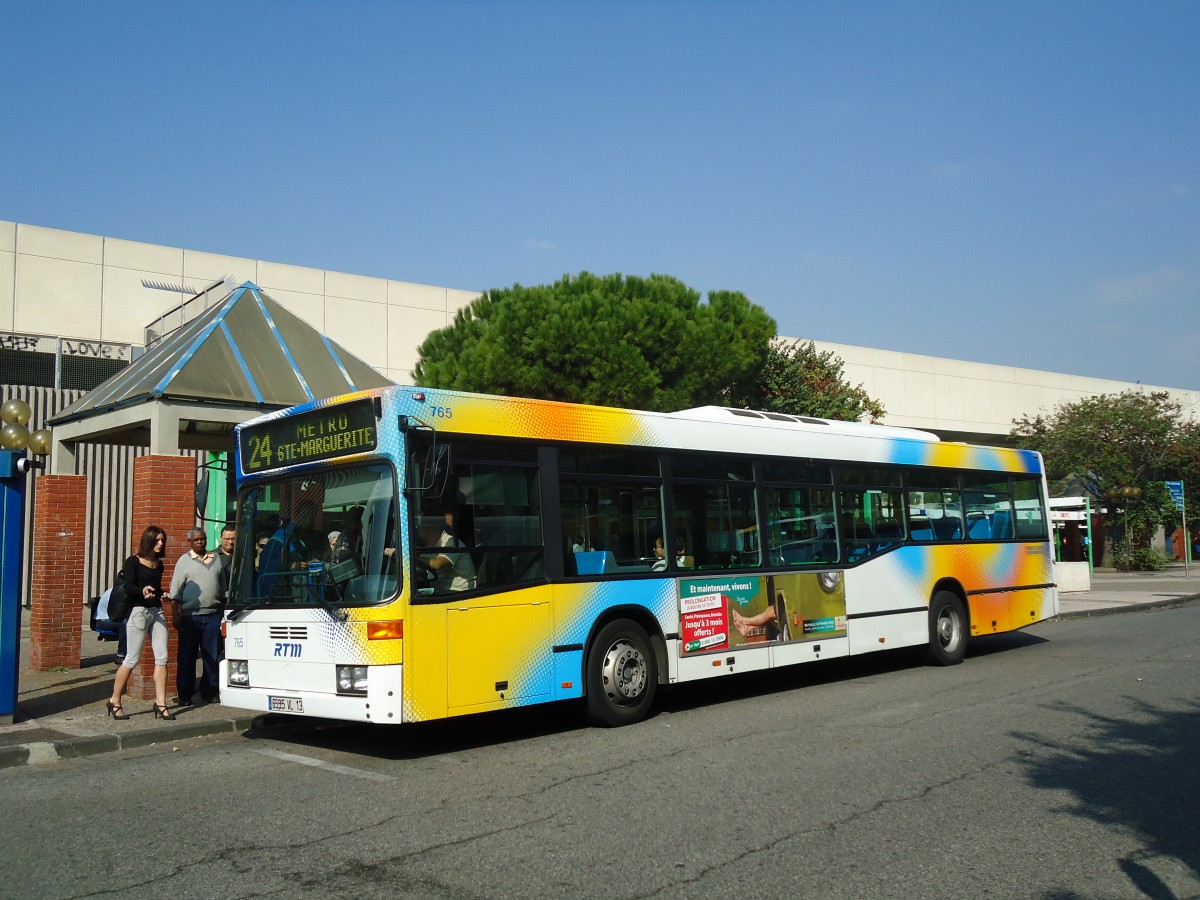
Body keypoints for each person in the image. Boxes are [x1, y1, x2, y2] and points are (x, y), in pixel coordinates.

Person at [106, 526, 175, 721]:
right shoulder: (133, 561)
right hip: (139, 612)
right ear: (149, 541)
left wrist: (164, 595)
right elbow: (128, 585)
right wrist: (142, 590)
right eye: (158, 540)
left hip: (157, 612)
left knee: (162, 657)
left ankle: (161, 703)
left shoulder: (158, 564)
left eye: (163, 540)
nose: (161, 544)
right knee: (131, 659)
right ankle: (115, 700)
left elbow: (158, 587)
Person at [170, 527, 226, 705]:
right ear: (190, 542)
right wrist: (176, 615)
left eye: (203, 539)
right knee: (187, 657)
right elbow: (175, 592)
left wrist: (223, 613)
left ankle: (209, 691)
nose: (200, 542)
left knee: (212, 656)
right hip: (190, 616)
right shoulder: (183, 561)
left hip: (212, 615)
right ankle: (185, 694)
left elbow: (222, 587)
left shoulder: (215, 558)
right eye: (196, 540)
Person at [415, 520, 476, 592]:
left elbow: (437, 564)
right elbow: (420, 566)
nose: (416, 532)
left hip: (461, 593)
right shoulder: (428, 547)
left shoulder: (452, 542)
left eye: (418, 528)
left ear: (426, 529)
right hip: (438, 592)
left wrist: (411, 558)